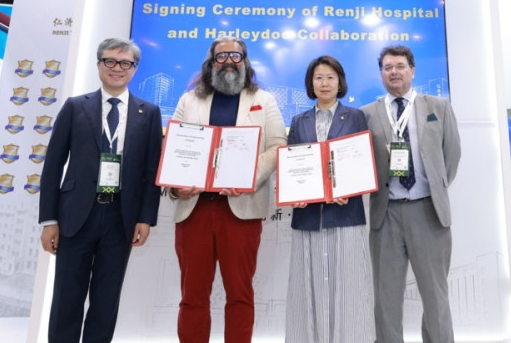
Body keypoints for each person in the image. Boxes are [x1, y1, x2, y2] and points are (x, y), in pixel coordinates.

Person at [38, 38, 163, 343]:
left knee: (106, 300)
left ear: (134, 69)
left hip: (121, 217)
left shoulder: (149, 113)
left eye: (125, 63)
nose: (117, 68)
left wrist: (145, 218)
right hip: (75, 216)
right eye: (110, 61)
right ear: (98, 65)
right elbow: (53, 165)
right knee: (67, 296)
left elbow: (152, 172)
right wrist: (49, 220)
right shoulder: (75, 106)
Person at [171, 38, 286, 343]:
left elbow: (277, 146)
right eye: (221, 56)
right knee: (192, 295)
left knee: (240, 294)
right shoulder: (188, 100)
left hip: (241, 209)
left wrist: (248, 177)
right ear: (211, 63)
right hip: (194, 209)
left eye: (235, 55)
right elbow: (173, 148)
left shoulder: (264, 100)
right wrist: (176, 187)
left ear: (245, 61)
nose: (228, 61)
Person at [361, 45, 461, 343]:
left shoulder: (438, 107)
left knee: (435, 296)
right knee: (386, 298)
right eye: (388, 67)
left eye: (400, 66)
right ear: (381, 74)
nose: (394, 72)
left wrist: (435, 188)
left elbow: (451, 155)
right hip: (386, 214)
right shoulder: (367, 114)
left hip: (428, 212)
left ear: (412, 71)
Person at [285, 55, 374, 343]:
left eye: (330, 77)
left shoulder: (356, 116)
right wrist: (294, 193)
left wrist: (351, 189)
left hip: (346, 214)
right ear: (311, 83)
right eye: (319, 77)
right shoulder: (299, 120)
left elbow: (362, 160)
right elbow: (291, 163)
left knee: (349, 285)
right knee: (307, 285)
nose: (325, 83)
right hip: (309, 216)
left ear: (340, 83)